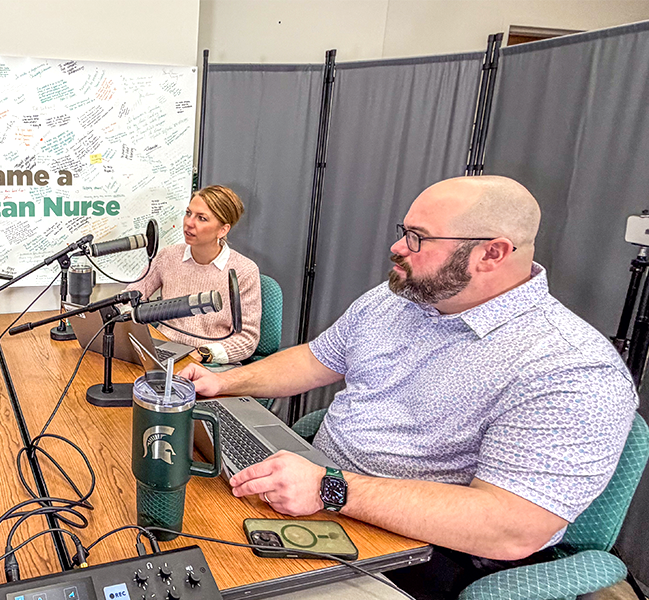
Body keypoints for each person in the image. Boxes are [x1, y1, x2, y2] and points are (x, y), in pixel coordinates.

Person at [179, 176, 637, 598]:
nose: (398, 247)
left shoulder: (572, 369)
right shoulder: (397, 299)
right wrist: (222, 382)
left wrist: (332, 489)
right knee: (175, 540)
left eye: (419, 238)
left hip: (422, 548)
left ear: (491, 253)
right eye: (405, 230)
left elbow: (513, 527)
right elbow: (315, 359)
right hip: (319, 487)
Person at [126, 185, 261, 364]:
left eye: (202, 218)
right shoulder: (167, 256)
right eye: (188, 213)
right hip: (164, 353)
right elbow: (130, 297)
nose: (189, 223)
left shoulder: (244, 271)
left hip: (210, 363)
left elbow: (247, 340)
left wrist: (203, 354)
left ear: (223, 230)